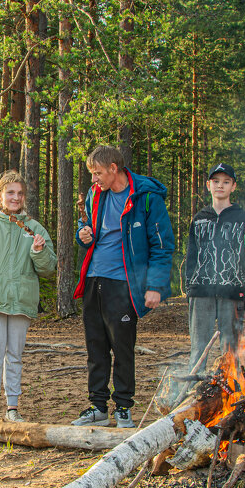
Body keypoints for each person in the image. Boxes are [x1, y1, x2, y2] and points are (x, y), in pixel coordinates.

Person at [73, 145, 175, 428]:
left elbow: (162, 245)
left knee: (123, 347)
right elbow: (88, 232)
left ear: (114, 169)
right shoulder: (96, 195)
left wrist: (155, 286)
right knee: (95, 346)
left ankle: (123, 407)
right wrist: (82, 235)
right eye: (92, 174)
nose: (94, 180)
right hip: (94, 278)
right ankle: (97, 406)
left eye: (97, 173)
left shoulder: (145, 197)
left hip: (125, 283)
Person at [0, 170, 57, 422]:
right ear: (0, 195)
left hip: (22, 301)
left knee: (15, 356)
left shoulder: (35, 229)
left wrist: (38, 251)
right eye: (10, 192)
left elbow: (49, 268)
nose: (15, 198)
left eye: (20, 193)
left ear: (24, 197)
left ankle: (13, 408)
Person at [183, 162, 245, 369]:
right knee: (198, 348)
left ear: (233, 186)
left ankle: (231, 392)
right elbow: (191, 256)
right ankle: (195, 392)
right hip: (201, 292)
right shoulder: (199, 219)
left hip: (232, 293)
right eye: (216, 182)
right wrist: (190, 289)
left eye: (226, 182)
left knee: (231, 349)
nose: (220, 186)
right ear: (208, 185)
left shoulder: (243, 219)